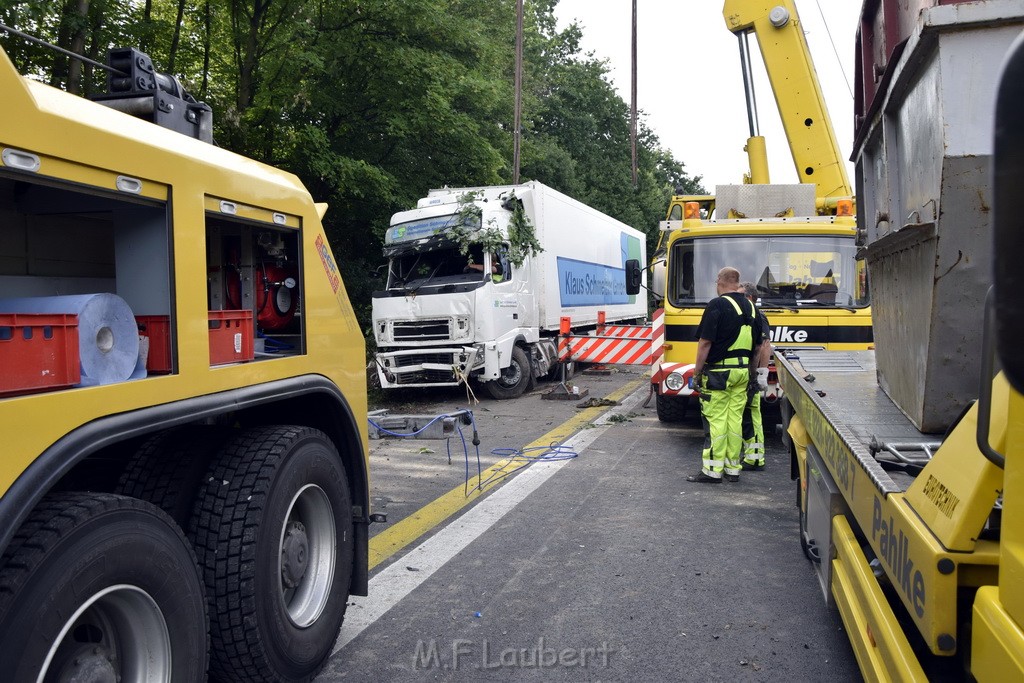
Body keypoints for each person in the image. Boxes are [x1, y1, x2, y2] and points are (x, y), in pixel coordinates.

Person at [687, 267, 763, 483]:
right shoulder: (751, 306)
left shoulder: (717, 304)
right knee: (735, 420)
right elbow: (758, 347)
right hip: (742, 373)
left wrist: (697, 371)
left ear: (719, 281)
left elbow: (705, 343)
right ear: (737, 282)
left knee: (716, 420)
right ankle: (732, 469)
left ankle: (712, 470)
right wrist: (752, 375)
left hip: (719, 374)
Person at [740, 282, 772, 471]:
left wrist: (761, 374)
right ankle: (751, 456)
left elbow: (764, 345)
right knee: (746, 417)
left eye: (741, 296)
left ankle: (755, 458)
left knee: (752, 415)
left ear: (750, 298)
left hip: (752, 375)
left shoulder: (758, 316)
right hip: (744, 373)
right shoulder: (745, 316)